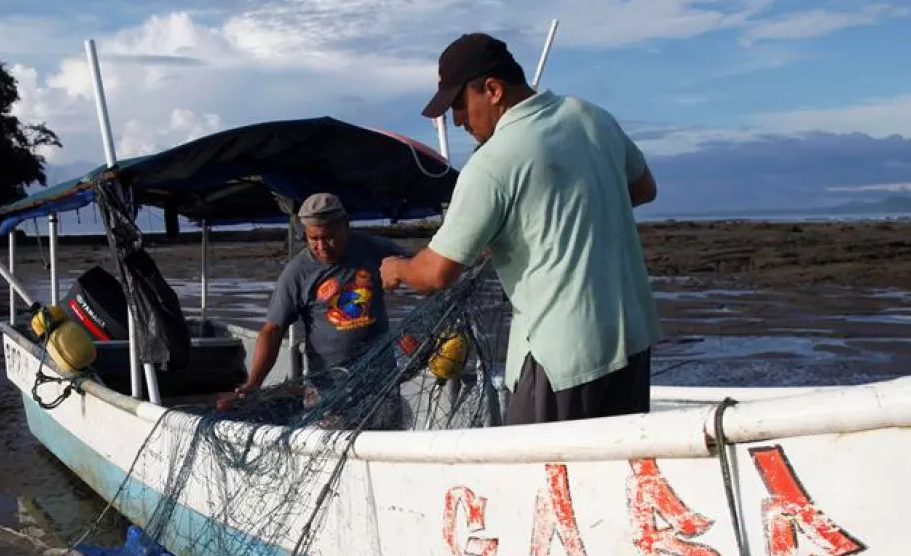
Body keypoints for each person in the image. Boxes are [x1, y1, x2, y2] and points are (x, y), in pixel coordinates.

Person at [379, 32, 662, 426]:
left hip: (561, 357)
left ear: (492, 89)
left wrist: (397, 268)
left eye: (459, 105)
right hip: (632, 340)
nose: (458, 120)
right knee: (615, 476)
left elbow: (436, 273)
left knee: (540, 481)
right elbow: (644, 188)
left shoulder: (492, 162)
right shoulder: (591, 116)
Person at [217, 192, 408, 422]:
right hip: (327, 389)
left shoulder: (374, 250)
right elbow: (272, 330)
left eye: (328, 237)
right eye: (313, 239)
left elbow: (423, 271)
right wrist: (253, 383)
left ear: (345, 226)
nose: (321, 246)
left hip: (380, 381)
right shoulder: (297, 272)